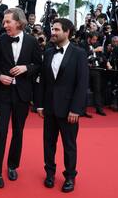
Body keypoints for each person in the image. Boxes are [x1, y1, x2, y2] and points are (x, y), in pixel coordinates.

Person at [36, 18, 88, 193]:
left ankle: (70, 176)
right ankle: (49, 174)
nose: (53, 32)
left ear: (67, 32)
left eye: (57, 29)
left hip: (69, 110)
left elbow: (82, 84)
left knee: (69, 145)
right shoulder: (49, 52)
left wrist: (76, 109)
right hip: (49, 108)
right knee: (48, 143)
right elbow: (43, 80)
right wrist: (40, 105)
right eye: (53, 29)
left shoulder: (79, 53)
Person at [0, 7, 41, 188]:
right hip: (4, 94)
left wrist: (26, 68)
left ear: (19, 22)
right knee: (1, 131)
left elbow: (38, 64)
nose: (4, 25)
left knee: (18, 132)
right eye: (4, 22)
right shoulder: (1, 40)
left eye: (8, 22)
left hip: (22, 94)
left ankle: (12, 165)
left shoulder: (31, 41)